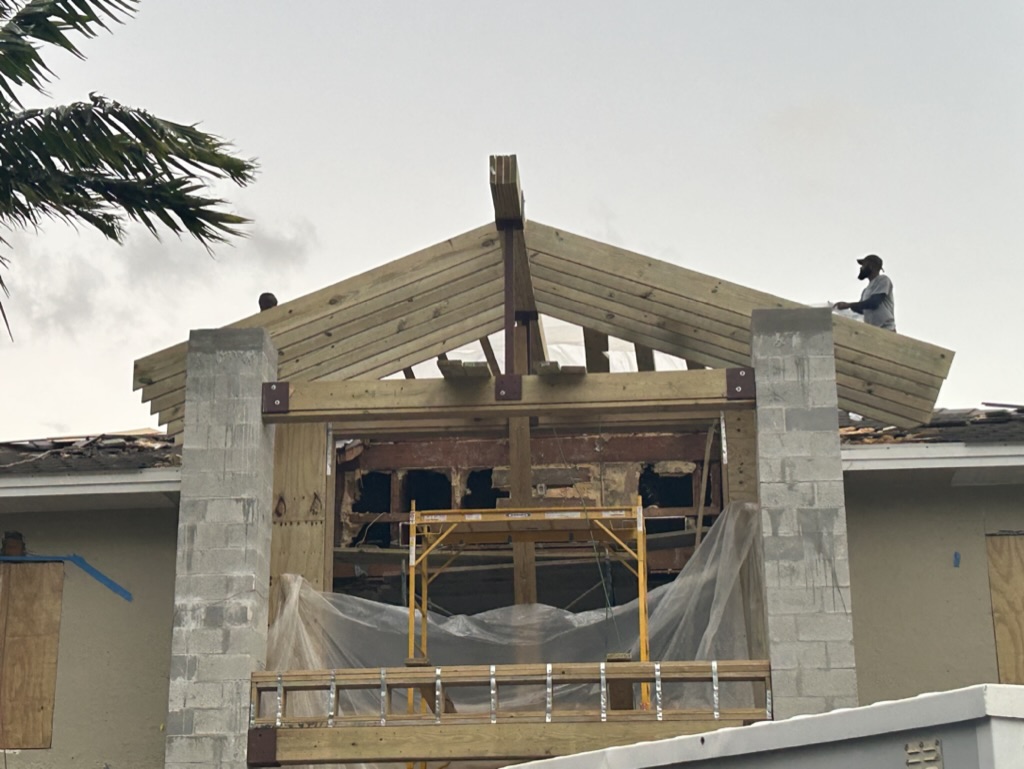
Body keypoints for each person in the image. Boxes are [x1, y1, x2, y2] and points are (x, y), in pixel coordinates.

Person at [833, 254, 895, 331]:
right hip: (873, 330)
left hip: (887, 328)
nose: (861, 268)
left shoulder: (883, 280)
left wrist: (849, 305)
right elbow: (862, 309)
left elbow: (874, 302)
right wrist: (845, 308)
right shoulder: (866, 290)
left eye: (863, 265)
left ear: (871, 266)